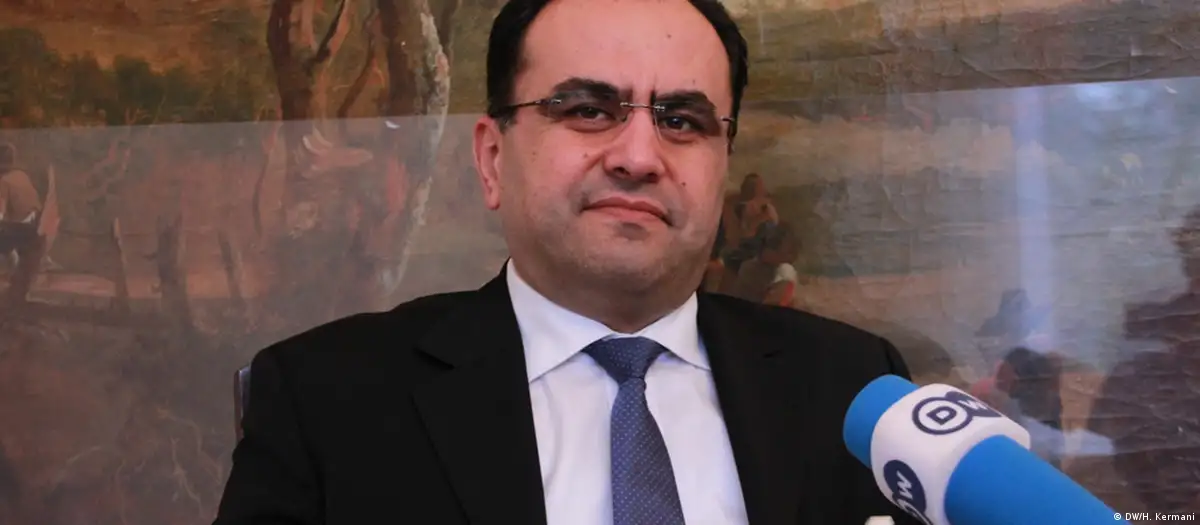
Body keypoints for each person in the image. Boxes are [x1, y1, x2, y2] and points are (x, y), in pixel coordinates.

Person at [214, 1, 923, 524]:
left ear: (724, 165)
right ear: (493, 158)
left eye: (681, 121)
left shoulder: (854, 387)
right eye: (588, 110)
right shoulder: (326, 400)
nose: (638, 157)